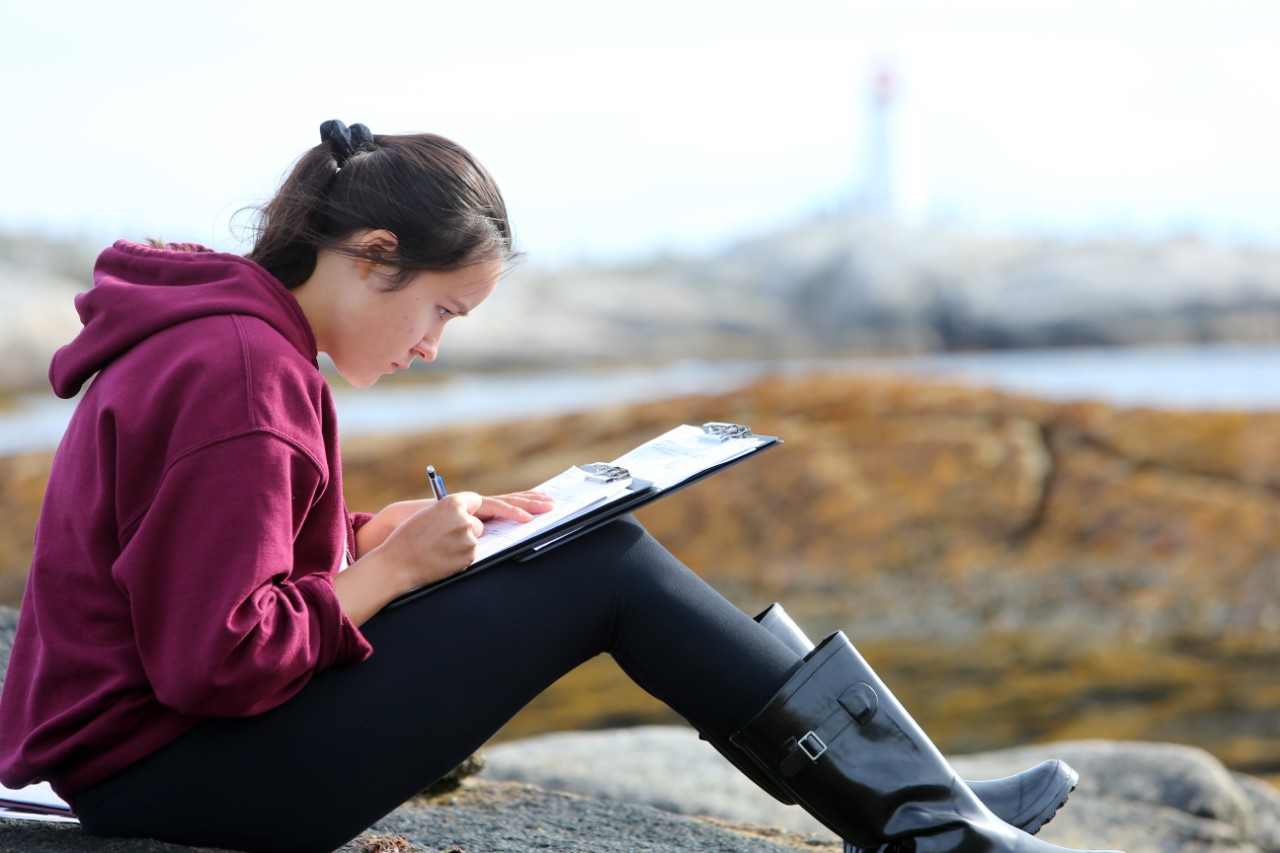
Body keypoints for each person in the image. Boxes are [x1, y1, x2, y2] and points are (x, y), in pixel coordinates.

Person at [0, 120, 1121, 853]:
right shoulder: (244, 370)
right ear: (374, 254)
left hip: (159, 759)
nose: (434, 345)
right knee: (603, 566)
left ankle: (926, 805)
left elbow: (196, 555)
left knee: (574, 550)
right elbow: (216, 657)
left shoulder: (229, 341)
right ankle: (926, 822)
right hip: (176, 789)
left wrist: (363, 533)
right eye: (441, 308)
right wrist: (386, 573)